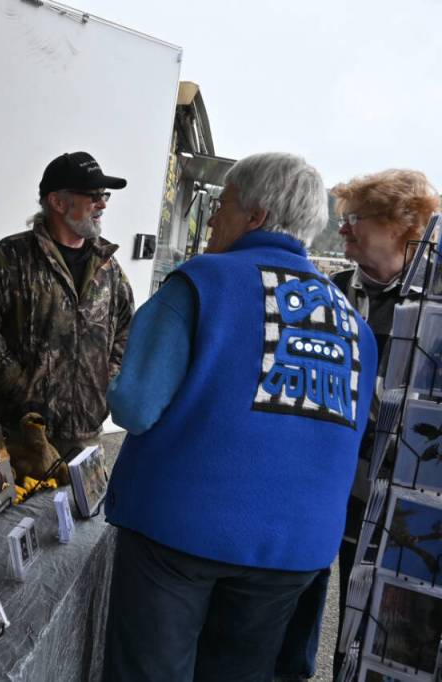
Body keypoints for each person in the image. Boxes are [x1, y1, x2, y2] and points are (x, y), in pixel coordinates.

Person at [101, 152, 378, 681]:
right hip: (292, 548)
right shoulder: (351, 322)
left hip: (178, 530)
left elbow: (134, 407)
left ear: (255, 217)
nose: (210, 219)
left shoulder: (203, 282)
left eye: (221, 206)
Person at [275, 169, 439, 680]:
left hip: (405, 505)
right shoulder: (330, 295)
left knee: (382, 628)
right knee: (300, 605)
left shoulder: (434, 306)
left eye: (353, 221)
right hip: (324, 489)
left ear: (401, 224)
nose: (341, 230)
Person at [0, 151, 134, 455]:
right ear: (58, 201)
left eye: (103, 195)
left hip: (85, 437)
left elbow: (127, 329)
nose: (102, 204)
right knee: (24, 505)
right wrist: (23, 390)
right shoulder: (9, 259)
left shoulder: (108, 268)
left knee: (80, 505)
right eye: (92, 195)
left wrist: (107, 381)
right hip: (20, 435)